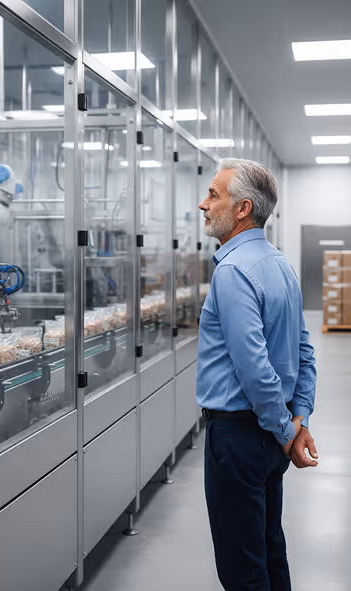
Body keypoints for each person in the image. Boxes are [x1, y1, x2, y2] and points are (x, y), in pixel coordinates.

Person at [197, 158, 318, 591]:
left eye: (214, 194)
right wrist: (297, 419)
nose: (203, 204)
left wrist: (288, 431)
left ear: (243, 208)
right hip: (270, 433)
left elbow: (255, 371)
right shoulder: (278, 263)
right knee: (269, 550)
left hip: (239, 437)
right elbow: (304, 350)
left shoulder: (232, 271)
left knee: (242, 569)